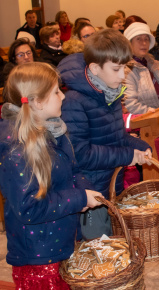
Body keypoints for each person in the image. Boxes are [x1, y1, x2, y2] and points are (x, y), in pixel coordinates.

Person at [0, 62, 103, 289]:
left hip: (60, 241)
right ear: (37, 102)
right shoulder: (17, 150)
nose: (63, 97)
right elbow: (29, 207)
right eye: (56, 91)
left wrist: (84, 191)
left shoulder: (53, 130)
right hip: (38, 256)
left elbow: (72, 170)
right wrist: (79, 198)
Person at [57, 29, 152, 240]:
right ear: (94, 68)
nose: (122, 75)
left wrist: (141, 146)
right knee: (96, 250)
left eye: (125, 68)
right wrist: (128, 155)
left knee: (112, 245)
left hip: (109, 185)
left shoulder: (110, 91)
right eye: (116, 68)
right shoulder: (75, 101)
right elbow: (81, 154)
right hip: (90, 192)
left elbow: (115, 137)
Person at [123, 20, 159, 114]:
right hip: (149, 118)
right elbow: (130, 105)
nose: (144, 43)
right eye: (138, 39)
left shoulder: (150, 63)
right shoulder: (126, 70)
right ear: (129, 43)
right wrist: (152, 112)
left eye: (146, 39)